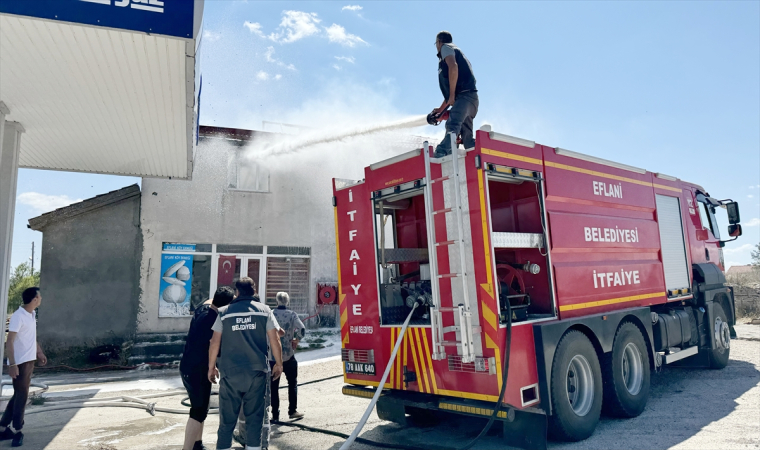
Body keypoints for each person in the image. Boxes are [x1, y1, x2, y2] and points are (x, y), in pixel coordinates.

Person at [208, 277, 284, 450]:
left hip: (230, 373)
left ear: (237, 292)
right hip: (256, 373)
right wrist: (279, 364)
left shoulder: (224, 312)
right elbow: (275, 339)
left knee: (226, 422)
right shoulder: (264, 311)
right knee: (254, 420)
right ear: (254, 291)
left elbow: (214, 342)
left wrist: (211, 367)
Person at [179, 287, 235, 450]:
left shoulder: (202, 310)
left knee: (202, 406)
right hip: (198, 370)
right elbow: (214, 345)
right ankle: (187, 448)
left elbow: (209, 302)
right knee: (198, 411)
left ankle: (197, 444)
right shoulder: (214, 322)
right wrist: (213, 367)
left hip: (188, 366)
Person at [0, 287, 47, 447]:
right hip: (19, 363)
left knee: (19, 394)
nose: (41, 299)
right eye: (39, 297)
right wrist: (12, 364)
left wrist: (39, 352)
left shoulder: (31, 315)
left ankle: (2, 427)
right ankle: (17, 430)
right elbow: (10, 341)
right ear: (34, 299)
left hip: (28, 361)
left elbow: (31, 337)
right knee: (22, 395)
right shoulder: (18, 316)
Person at [431, 30, 479, 158]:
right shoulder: (458, 52)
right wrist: (440, 110)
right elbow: (453, 90)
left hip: (464, 97)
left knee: (452, 125)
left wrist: (452, 95)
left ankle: (441, 153)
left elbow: (453, 68)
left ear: (439, 42)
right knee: (467, 137)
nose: (436, 46)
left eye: (436, 43)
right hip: (472, 99)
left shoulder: (446, 48)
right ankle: (477, 155)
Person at [269, 292, 306, 422]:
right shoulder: (292, 315)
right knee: (292, 383)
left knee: (273, 387)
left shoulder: (270, 313)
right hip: (288, 355)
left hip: (272, 356)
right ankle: (292, 411)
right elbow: (302, 329)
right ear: (287, 302)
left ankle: (275, 415)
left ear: (276, 301)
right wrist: (296, 340)